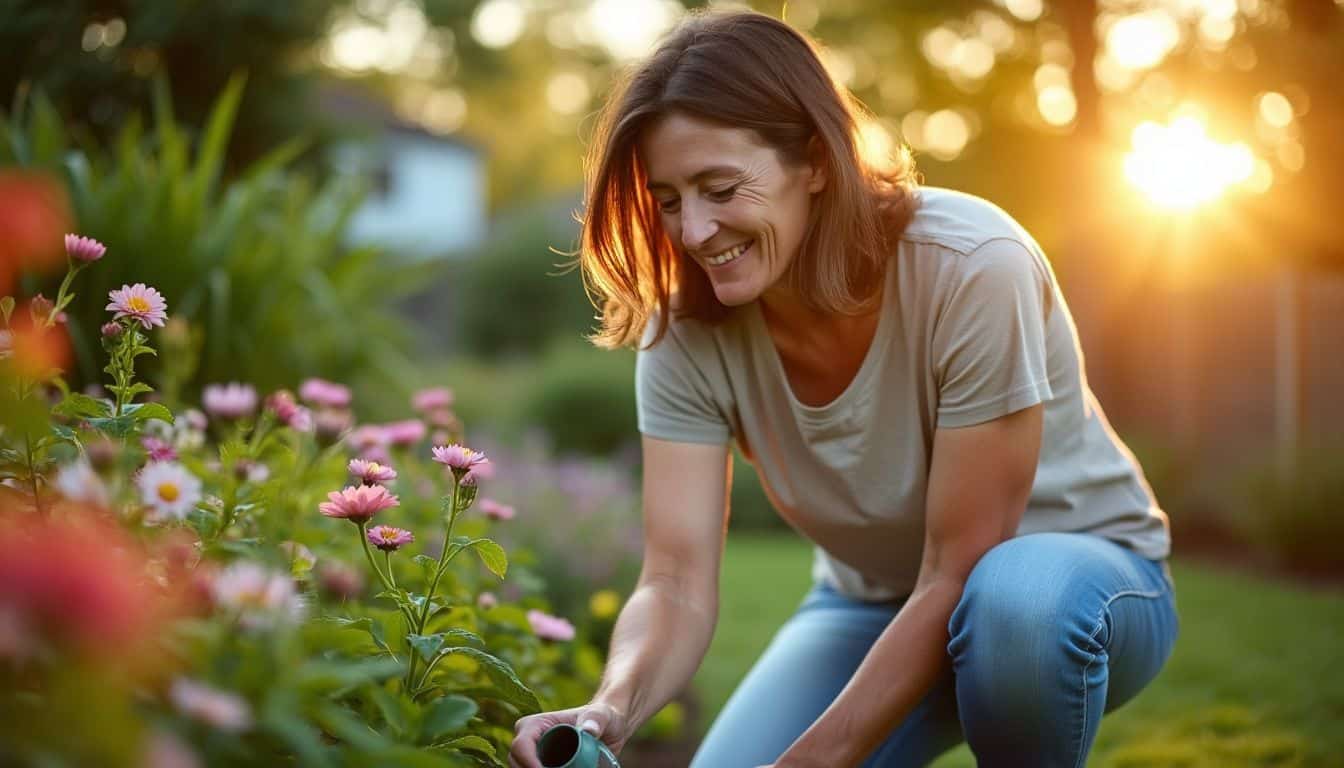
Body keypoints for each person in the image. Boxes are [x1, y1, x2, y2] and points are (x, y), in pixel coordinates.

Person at [510, 9, 1177, 768]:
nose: (693, 231)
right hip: (869, 603)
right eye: (668, 200)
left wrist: (816, 758)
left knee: (1013, 606)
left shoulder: (973, 265)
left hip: (1076, 591)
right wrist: (610, 706)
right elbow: (675, 578)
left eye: (720, 187)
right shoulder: (683, 330)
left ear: (816, 161)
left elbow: (959, 567)